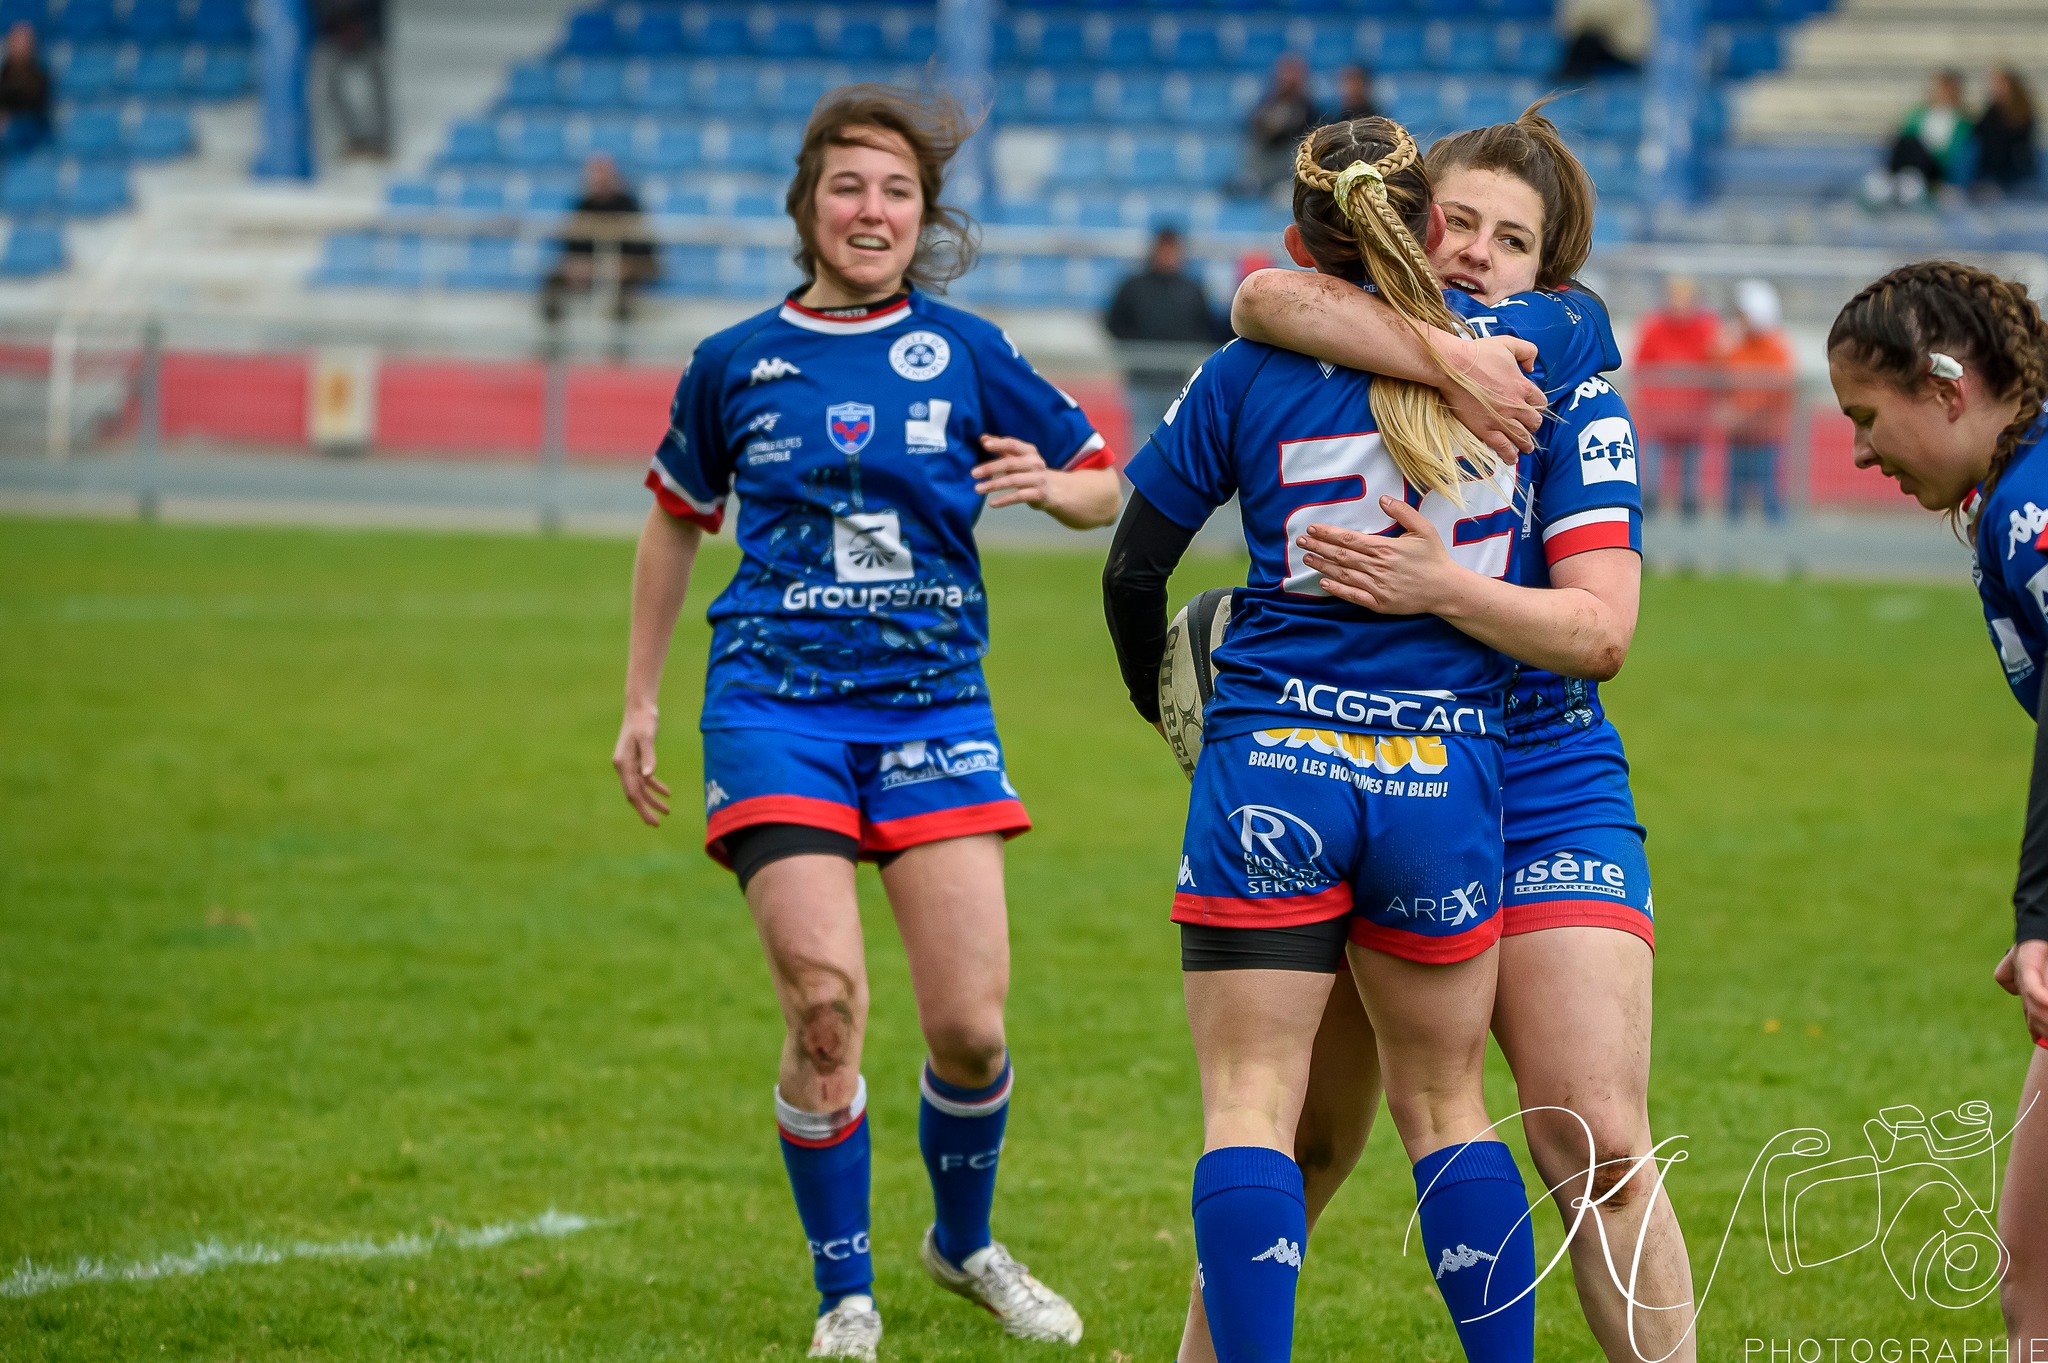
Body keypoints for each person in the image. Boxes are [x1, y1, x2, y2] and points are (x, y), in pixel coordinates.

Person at [612, 84, 1121, 1361]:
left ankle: (963, 1244)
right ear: (807, 205)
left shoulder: (963, 349)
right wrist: (638, 699)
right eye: (848, 186)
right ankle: (846, 1298)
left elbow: (1107, 483)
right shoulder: (733, 361)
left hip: (935, 706)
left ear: (923, 216)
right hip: (774, 707)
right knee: (825, 1002)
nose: (872, 209)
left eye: (896, 190)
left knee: (969, 1026)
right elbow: (677, 516)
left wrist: (1051, 492)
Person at [1199, 104, 1697, 1363]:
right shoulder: (1343, 351)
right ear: (1402, 224)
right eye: (1452, 221)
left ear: (1548, 274)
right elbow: (1265, 296)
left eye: (1508, 240)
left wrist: (1443, 590)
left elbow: (1597, 631)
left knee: (1592, 1137)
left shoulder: (1571, 389)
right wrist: (1433, 354)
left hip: (1540, 769)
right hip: (1372, 759)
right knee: (1302, 1137)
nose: (1472, 252)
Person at [1103, 116, 1560, 1363]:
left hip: (1275, 758)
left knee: (1251, 1107)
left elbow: (1134, 567)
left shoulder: (1251, 363)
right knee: (1446, 1106)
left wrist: (1167, 709)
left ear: (1301, 242)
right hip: (1440, 772)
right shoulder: (1525, 354)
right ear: (1424, 229)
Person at [1826, 257, 2048, 1359]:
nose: (1860, 450)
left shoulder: (2029, 506)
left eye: (1869, 417)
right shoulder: (2013, 496)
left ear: (1947, 385)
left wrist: (2037, 912)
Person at [1104, 226, 1227, 446]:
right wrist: (1136, 349)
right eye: (1165, 249)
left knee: (1176, 439)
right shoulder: (1134, 286)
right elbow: (1113, 322)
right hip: (1141, 379)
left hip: (1179, 380)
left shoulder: (1191, 288)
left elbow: (1207, 327)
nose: (1169, 255)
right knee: (1142, 439)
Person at [1632, 275, 1720, 518]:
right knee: (1651, 479)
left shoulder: (1707, 328)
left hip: (1693, 419)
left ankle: (1688, 533)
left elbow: (1717, 367)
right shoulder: (1653, 327)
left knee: (1690, 485)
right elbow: (1641, 367)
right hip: (1660, 419)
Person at [541, 154, 660, 333]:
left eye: (603, 174)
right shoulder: (583, 205)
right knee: (553, 279)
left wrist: (622, 265)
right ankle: (553, 338)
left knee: (622, 291)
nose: (598, 180)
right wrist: (577, 265)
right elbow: (572, 244)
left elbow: (644, 248)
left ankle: (618, 344)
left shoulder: (629, 205)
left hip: (627, 268)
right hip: (592, 267)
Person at [1722, 278, 1797, 522]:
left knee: (1769, 495)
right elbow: (1724, 382)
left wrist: (1742, 414)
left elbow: (1776, 392)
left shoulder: (1775, 348)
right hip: (1740, 436)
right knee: (1733, 498)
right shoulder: (1736, 345)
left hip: (1766, 435)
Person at [1866, 70, 1975, 208]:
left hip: (1937, 165)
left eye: (1948, 88)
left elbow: (1960, 152)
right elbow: (1905, 134)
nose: (1944, 92)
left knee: (1916, 145)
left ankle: (1907, 183)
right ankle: (1890, 181)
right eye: (1941, 88)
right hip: (1915, 155)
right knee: (1905, 142)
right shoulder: (1920, 112)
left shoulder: (1962, 120)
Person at [316, 0, 389, 158]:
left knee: (375, 85)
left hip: (367, 33)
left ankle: (379, 139)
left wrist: (367, 28)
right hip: (337, 33)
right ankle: (356, 138)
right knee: (332, 87)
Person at [1240, 55, 1318, 198]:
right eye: (1284, 76)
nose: (1286, 81)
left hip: (1287, 166)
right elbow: (1256, 127)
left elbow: (1294, 131)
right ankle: (1251, 184)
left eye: (1292, 78)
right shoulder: (1266, 104)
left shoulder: (1308, 109)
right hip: (1265, 160)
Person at [1974, 68, 2039, 197]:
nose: (1995, 88)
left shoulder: (2022, 110)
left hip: (2013, 165)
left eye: (2000, 83)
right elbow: (1978, 131)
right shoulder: (1993, 110)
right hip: (1991, 165)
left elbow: (2020, 141)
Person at [0, 20, 51, 161]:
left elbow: (38, 108)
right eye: (15, 40)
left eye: (23, 41)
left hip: (32, 128)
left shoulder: (40, 76)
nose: (19, 45)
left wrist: (11, 118)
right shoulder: (3, 74)